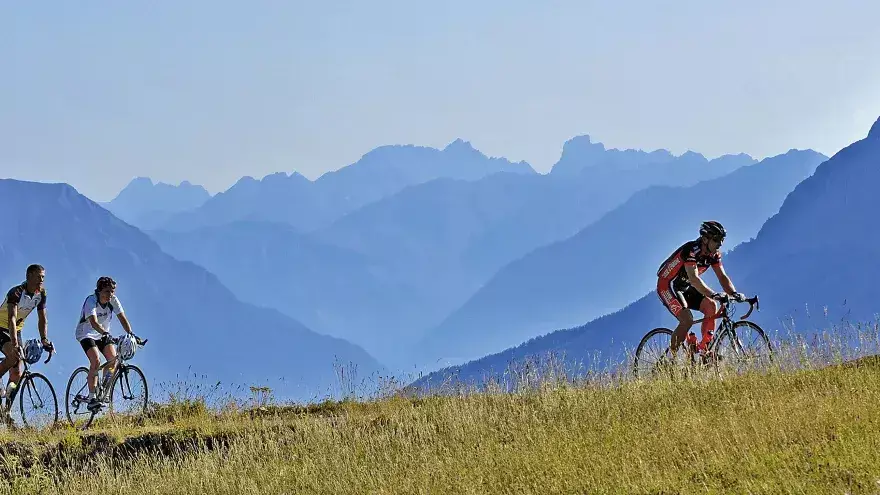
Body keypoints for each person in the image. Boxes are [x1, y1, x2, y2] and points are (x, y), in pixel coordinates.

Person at [656, 221, 745, 359]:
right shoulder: (690, 251)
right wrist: (714, 294)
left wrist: (734, 293)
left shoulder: (714, 255)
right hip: (667, 285)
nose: (720, 244)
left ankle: (704, 351)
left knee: (711, 305)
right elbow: (694, 279)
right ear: (704, 239)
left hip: (684, 287)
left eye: (722, 240)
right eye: (716, 240)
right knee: (687, 320)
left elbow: (722, 276)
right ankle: (668, 361)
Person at [75, 276, 136, 411]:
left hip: (103, 334)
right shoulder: (91, 301)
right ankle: (92, 398)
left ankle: (103, 391)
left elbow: (122, 318)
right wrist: (104, 333)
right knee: (96, 361)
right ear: (99, 291)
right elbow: (93, 322)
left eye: (112, 291)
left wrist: (131, 334)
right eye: (107, 291)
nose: (111, 295)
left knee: (113, 360)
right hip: (86, 334)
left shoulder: (113, 300)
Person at [0, 264, 53, 400]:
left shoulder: (41, 294)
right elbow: (12, 318)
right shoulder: (16, 292)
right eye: (38, 277)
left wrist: (44, 339)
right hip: (1, 327)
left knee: (17, 372)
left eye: (43, 277)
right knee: (13, 355)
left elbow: (42, 318)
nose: (41, 280)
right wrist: (15, 344)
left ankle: (6, 411)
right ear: (29, 276)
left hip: (16, 330)